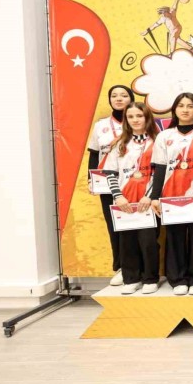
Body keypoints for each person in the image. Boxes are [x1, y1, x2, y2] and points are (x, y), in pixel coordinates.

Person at [150, 93, 193, 296]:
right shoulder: (164, 136)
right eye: (181, 106)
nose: (185, 110)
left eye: (190, 106)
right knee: (174, 238)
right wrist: (155, 197)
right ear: (174, 109)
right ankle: (177, 279)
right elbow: (159, 168)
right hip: (171, 194)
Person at [104, 102, 160, 295]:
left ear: (147, 117)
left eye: (139, 116)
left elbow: (160, 173)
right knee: (127, 242)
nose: (135, 120)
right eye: (131, 116)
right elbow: (110, 173)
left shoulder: (157, 142)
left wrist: (149, 196)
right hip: (124, 202)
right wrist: (118, 196)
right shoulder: (119, 144)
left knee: (148, 242)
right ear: (126, 120)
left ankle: (150, 279)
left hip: (147, 202)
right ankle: (131, 278)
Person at [88, 84, 135, 286]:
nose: (119, 98)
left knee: (135, 225)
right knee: (114, 224)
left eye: (124, 95)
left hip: (134, 181)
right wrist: (91, 179)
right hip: (107, 182)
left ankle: (137, 266)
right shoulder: (101, 125)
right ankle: (121, 267)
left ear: (131, 99)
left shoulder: (138, 120)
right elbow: (94, 154)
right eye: (114, 95)